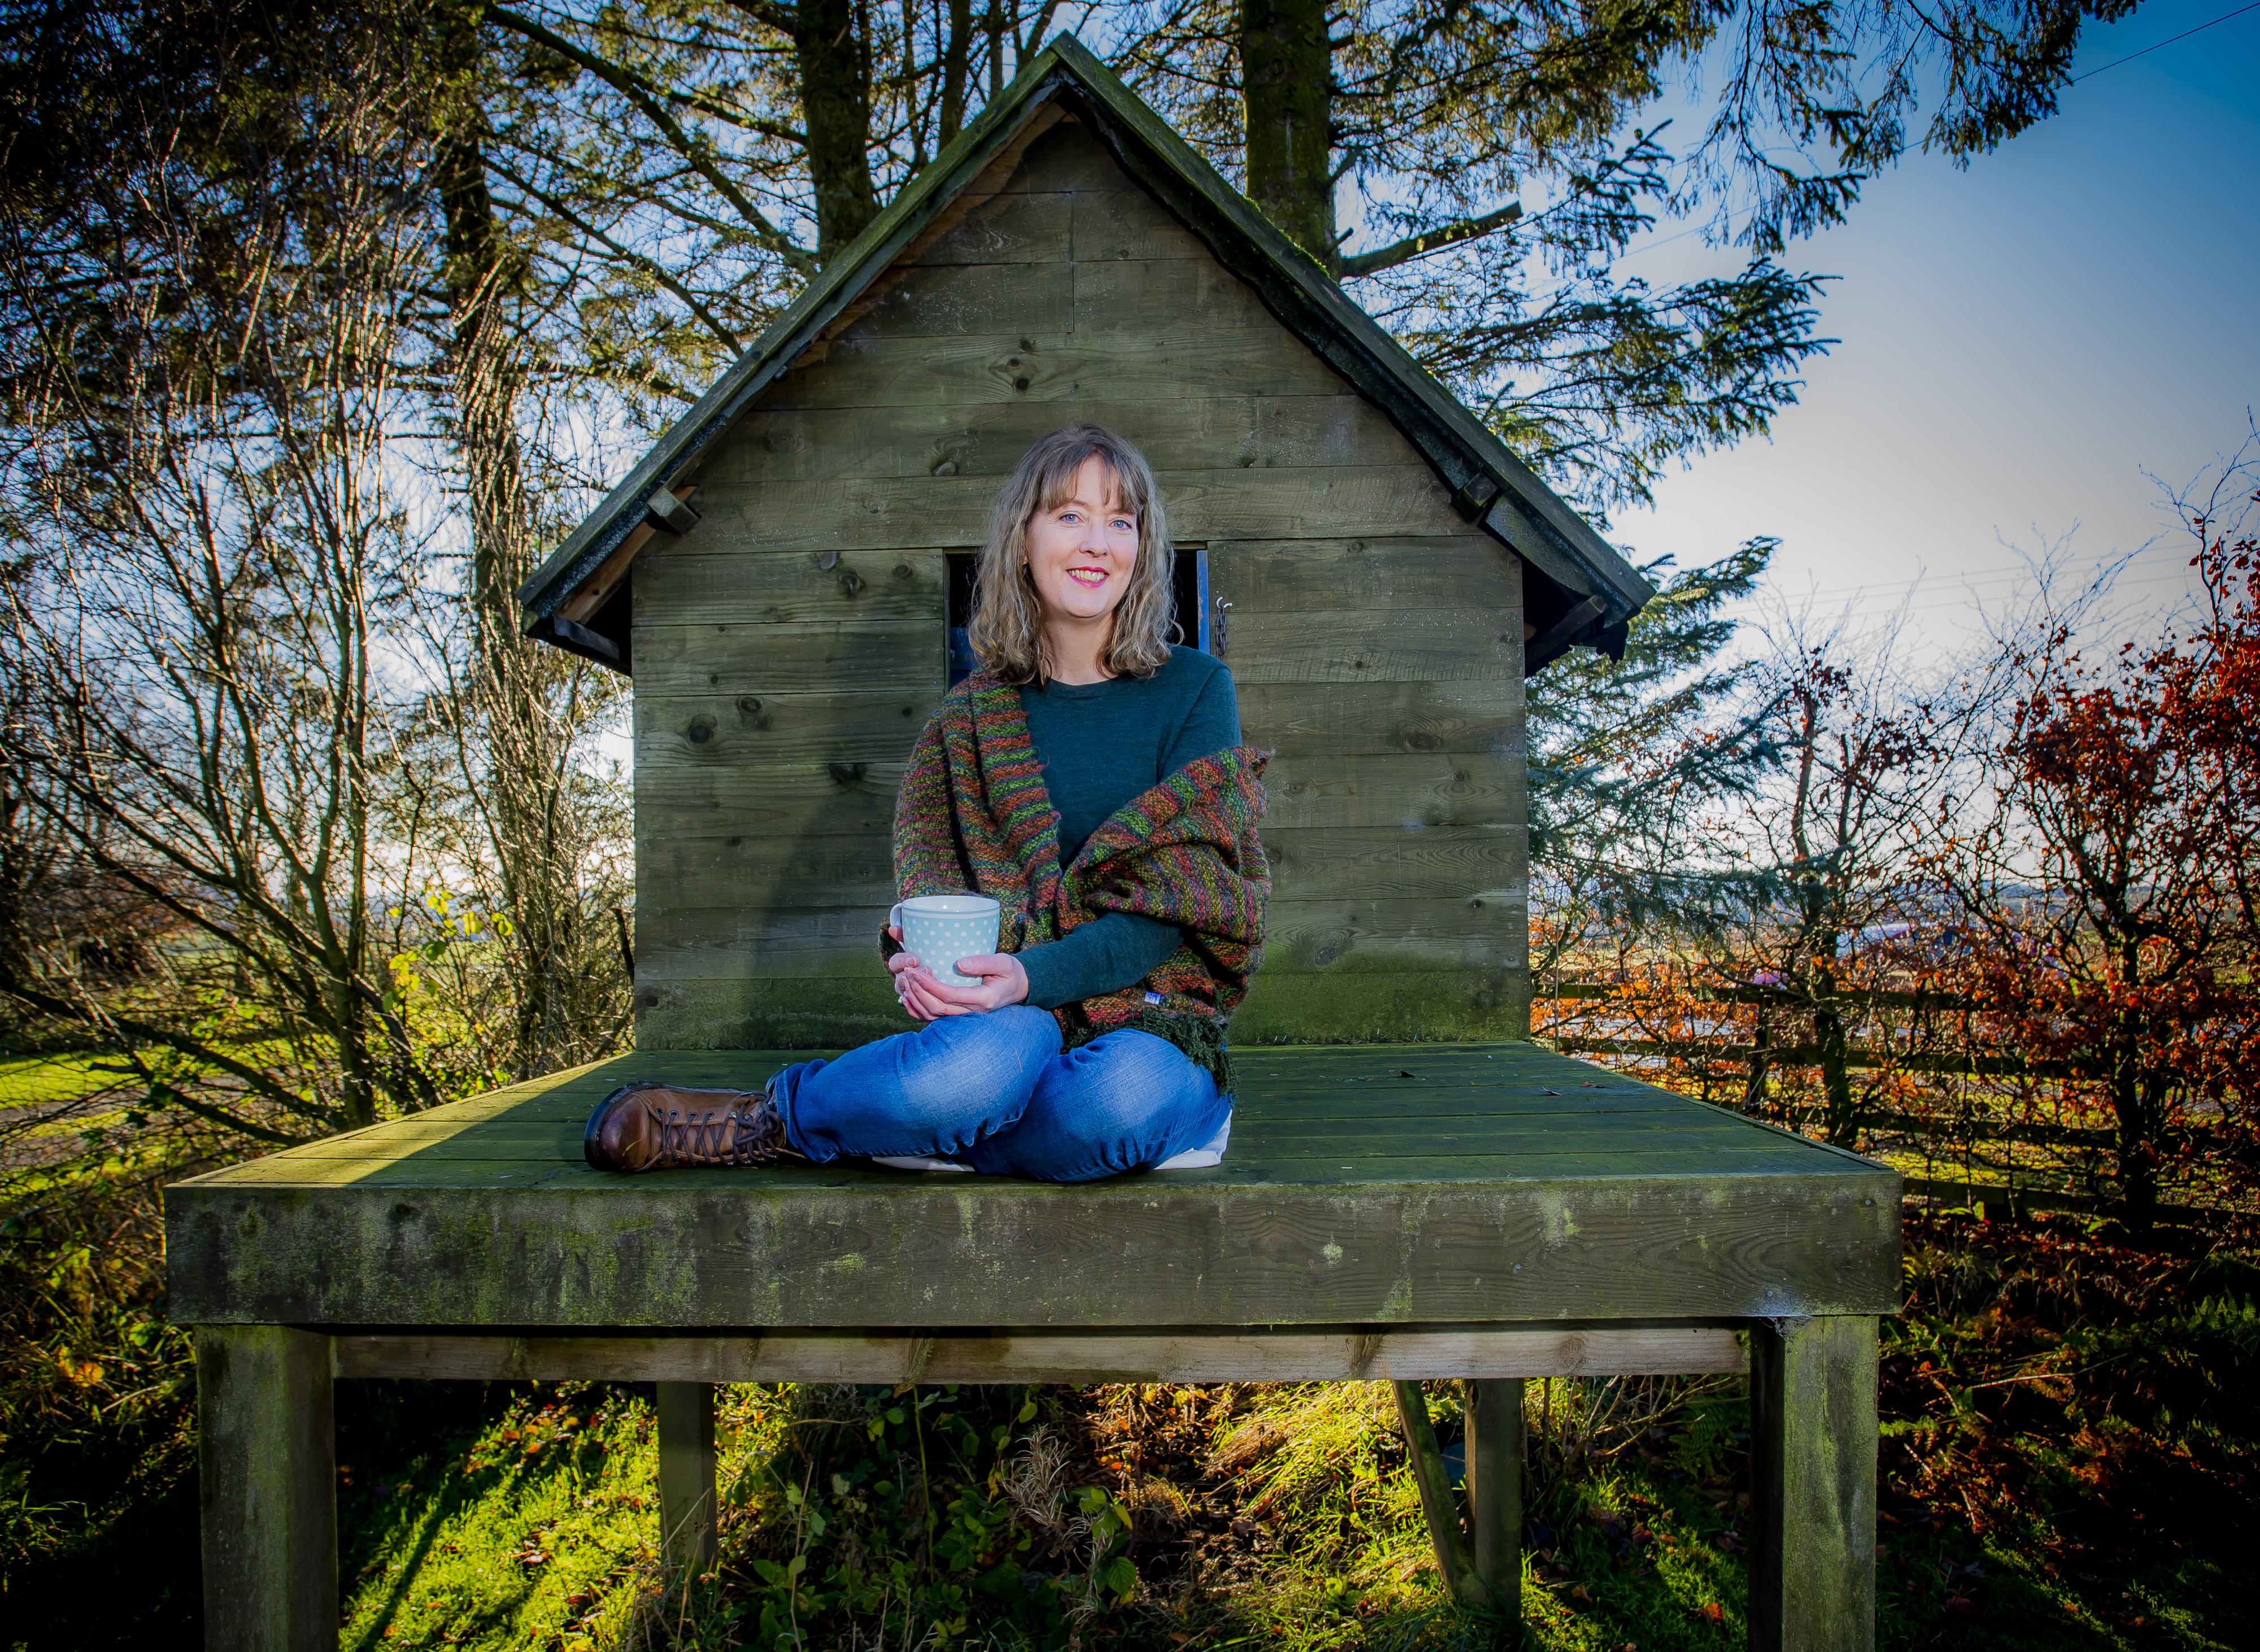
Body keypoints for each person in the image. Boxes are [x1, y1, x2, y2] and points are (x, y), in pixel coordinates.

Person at [582, 424, 1270, 1180]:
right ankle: (781, 1115)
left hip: (1156, 1020)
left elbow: (1172, 910)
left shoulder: (1197, 690)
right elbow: (933, 886)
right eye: (1069, 514)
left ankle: (858, 1122)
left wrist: (1026, 975)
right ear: (1022, 539)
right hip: (1007, 1022)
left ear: (1142, 546)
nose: (1096, 542)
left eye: (1120, 519)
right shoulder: (968, 717)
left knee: (1109, 1105)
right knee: (979, 1072)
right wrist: (919, 955)